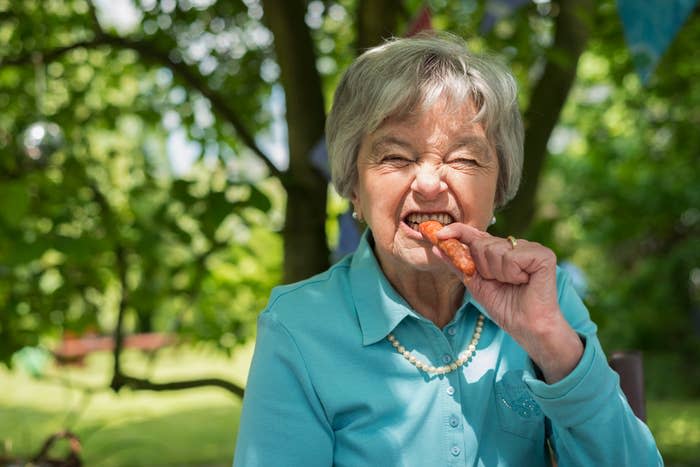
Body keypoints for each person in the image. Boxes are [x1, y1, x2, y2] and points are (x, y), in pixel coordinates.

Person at [233, 33, 662, 466]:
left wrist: (552, 341)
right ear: (355, 191)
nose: (429, 183)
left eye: (464, 159)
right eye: (396, 157)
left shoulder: (545, 296)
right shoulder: (297, 326)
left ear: (498, 189)